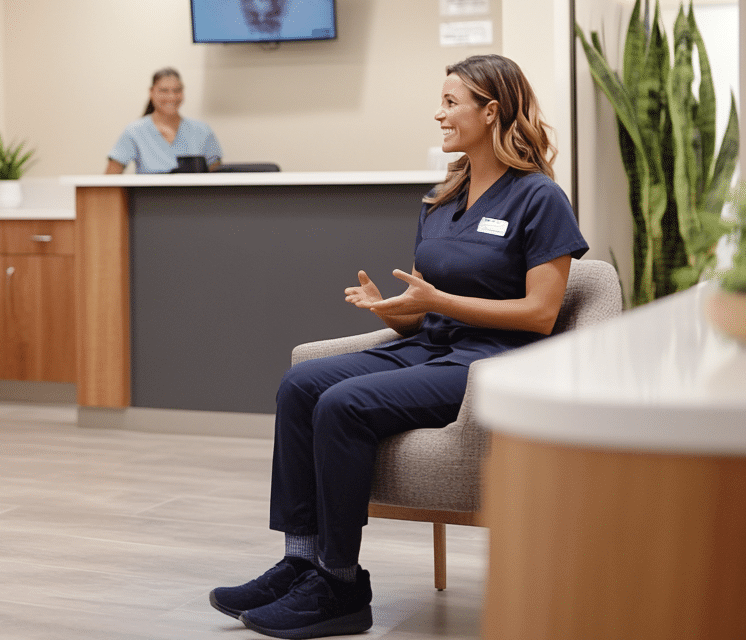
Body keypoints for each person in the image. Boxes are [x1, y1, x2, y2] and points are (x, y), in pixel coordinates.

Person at [208, 55, 587, 638]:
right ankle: (301, 560)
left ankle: (340, 586)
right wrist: (394, 309)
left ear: (491, 112)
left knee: (343, 404)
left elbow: (540, 315)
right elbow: (423, 302)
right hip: (432, 346)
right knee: (300, 385)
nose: (439, 114)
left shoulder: (538, 198)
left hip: (492, 361)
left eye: (451, 102)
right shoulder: (441, 198)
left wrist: (437, 304)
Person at [105, 67, 223, 173]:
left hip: (195, 197)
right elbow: (110, 179)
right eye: (164, 90)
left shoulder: (202, 130)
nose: (171, 97)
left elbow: (217, 176)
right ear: (151, 92)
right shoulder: (135, 131)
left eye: (177, 90)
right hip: (148, 197)